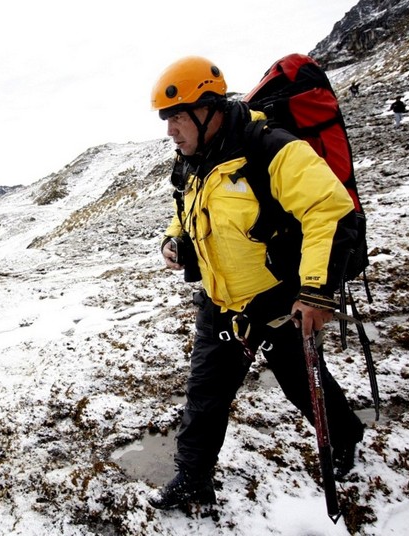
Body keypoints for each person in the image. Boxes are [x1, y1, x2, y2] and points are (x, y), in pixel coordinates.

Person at [147, 56, 365, 510]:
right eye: (166, 119)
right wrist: (174, 240)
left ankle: (345, 438)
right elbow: (186, 212)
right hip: (221, 301)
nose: (171, 130)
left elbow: (330, 210)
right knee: (204, 396)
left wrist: (316, 292)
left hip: (280, 301)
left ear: (209, 109)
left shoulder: (272, 148)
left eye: (177, 117)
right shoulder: (192, 162)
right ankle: (193, 480)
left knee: (303, 383)